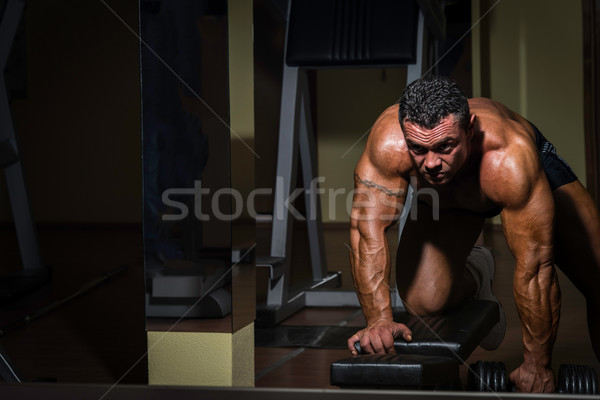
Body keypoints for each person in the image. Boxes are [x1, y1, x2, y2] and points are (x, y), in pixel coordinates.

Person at [347, 75, 600, 393]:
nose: (431, 163)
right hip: (445, 200)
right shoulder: (388, 144)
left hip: (517, 177)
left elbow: (535, 268)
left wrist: (537, 365)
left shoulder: (510, 158)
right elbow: (366, 232)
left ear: (470, 129)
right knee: (423, 302)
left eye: (444, 146)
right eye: (418, 149)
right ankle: (478, 271)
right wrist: (378, 319)